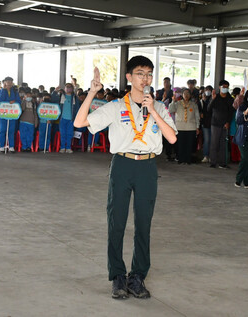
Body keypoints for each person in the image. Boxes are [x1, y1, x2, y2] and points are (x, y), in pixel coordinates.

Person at [73, 56, 177, 300]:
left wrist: (152, 111)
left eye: (149, 74)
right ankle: (118, 276)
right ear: (129, 77)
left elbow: (172, 138)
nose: (146, 79)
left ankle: (138, 276)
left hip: (148, 166)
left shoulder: (159, 107)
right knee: (116, 222)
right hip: (122, 164)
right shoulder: (117, 106)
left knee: (144, 224)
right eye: (140, 73)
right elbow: (80, 122)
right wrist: (92, 92)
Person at [169, 89, 199, 164]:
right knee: (180, 144)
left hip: (191, 127)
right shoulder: (178, 103)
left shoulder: (193, 104)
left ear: (190, 95)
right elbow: (170, 110)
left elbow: (197, 116)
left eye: (188, 94)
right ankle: (181, 159)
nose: (186, 95)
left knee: (189, 144)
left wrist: (197, 127)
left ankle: (188, 160)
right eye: (185, 94)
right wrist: (173, 101)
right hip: (180, 127)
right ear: (182, 95)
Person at [208, 80, 234, 168]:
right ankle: (213, 162)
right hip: (215, 123)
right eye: (223, 87)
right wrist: (212, 99)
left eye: (227, 87)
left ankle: (222, 163)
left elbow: (231, 112)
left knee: (223, 144)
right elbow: (209, 109)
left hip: (225, 124)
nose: (225, 89)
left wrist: (228, 122)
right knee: (214, 143)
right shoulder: (215, 97)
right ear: (219, 87)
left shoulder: (230, 99)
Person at [51, 83, 81, 153]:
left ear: (72, 89)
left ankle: (68, 147)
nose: (68, 88)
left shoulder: (75, 98)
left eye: (70, 87)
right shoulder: (61, 96)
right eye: (67, 87)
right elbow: (53, 99)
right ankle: (62, 147)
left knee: (70, 134)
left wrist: (76, 118)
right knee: (63, 133)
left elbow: (77, 109)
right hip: (62, 118)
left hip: (71, 119)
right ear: (64, 88)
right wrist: (55, 91)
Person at [0, 76, 20, 153]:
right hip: (3, 114)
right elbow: (1, 99)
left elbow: (18, 101)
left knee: (11, 130)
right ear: (4, 82)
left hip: (12, 114)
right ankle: (2, 146)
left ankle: (11, 146)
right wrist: (4, 90)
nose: (9, 83)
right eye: (8, 82)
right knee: (3, 130)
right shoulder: (1, 91)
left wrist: (14, 101)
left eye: (11, 82)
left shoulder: (15, 91)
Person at [200, 86, 214, 163]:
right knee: (207, 140)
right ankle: (206, 155)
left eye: (209, 90)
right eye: (206, 90)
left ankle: (212, 156)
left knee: (213, 140)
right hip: (205, 123)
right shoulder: (202, 101)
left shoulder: (213, 99)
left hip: (213, 122)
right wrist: (203, 101)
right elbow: (201, 110)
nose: (207, 92)